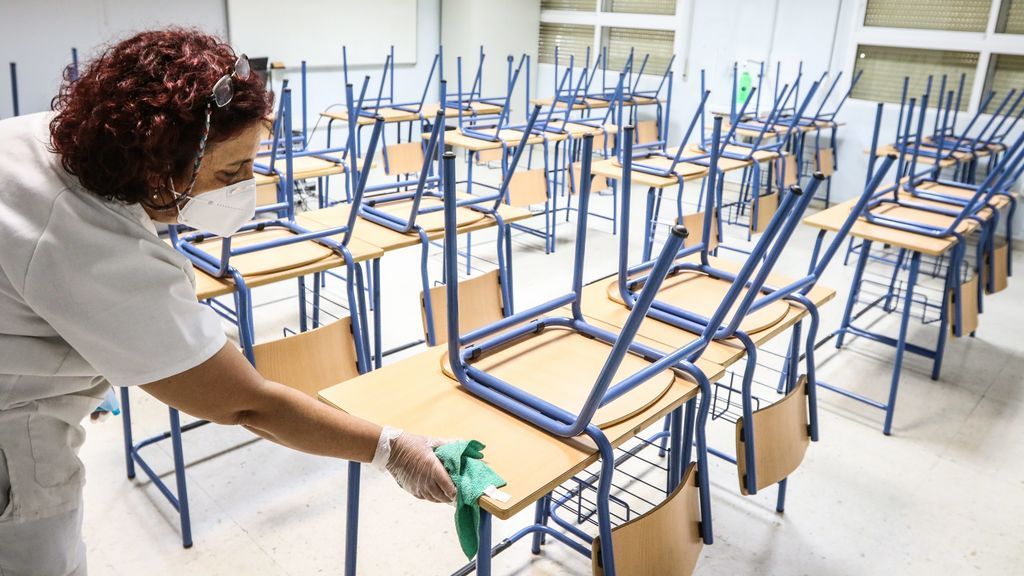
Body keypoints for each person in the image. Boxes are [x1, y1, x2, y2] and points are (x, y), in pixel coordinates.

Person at [0, 29, 455, 576]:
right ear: (153, 167)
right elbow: (245, 403)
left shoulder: (36, 140)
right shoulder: (87, 245)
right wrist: (392, 448)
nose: (247, 186)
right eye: (231, 172)